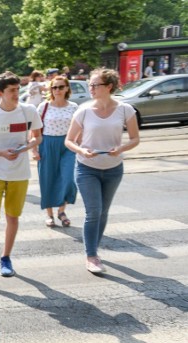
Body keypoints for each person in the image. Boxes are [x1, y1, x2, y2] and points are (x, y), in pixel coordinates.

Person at [64, 68, 140, 274]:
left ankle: (94, 248)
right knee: (94, 211)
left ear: (108, 87)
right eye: (90, 84)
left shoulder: (126, 110)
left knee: (103, 211)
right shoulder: (84, 111)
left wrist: (121, 149)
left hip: (114, 169)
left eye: (94, 85)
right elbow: (69, 140)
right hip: (86, 168)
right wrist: (82, 150)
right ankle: (91, 256)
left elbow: (135, 139)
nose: (90, 88)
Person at [0, 71, 43, 285]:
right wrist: (2, 153)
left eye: (17, 90)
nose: (16, 94)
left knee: (13, 217)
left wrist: (25, 148)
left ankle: (5, 258)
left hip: (19, 174)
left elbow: (38, 137)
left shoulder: (29, 111)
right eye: (12, 91)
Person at [36, 76, 78, 228]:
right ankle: (50, 215)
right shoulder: (43, 107)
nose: (57, 90)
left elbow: (80, 127)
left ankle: (61, 210)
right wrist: (34, 149)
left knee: (69, 179)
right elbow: (34, 130)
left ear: (67, 88)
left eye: (61, 87)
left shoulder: (73, 107)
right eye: (54, 87)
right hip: (47, 144)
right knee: (48, 179)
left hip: (68, 145)